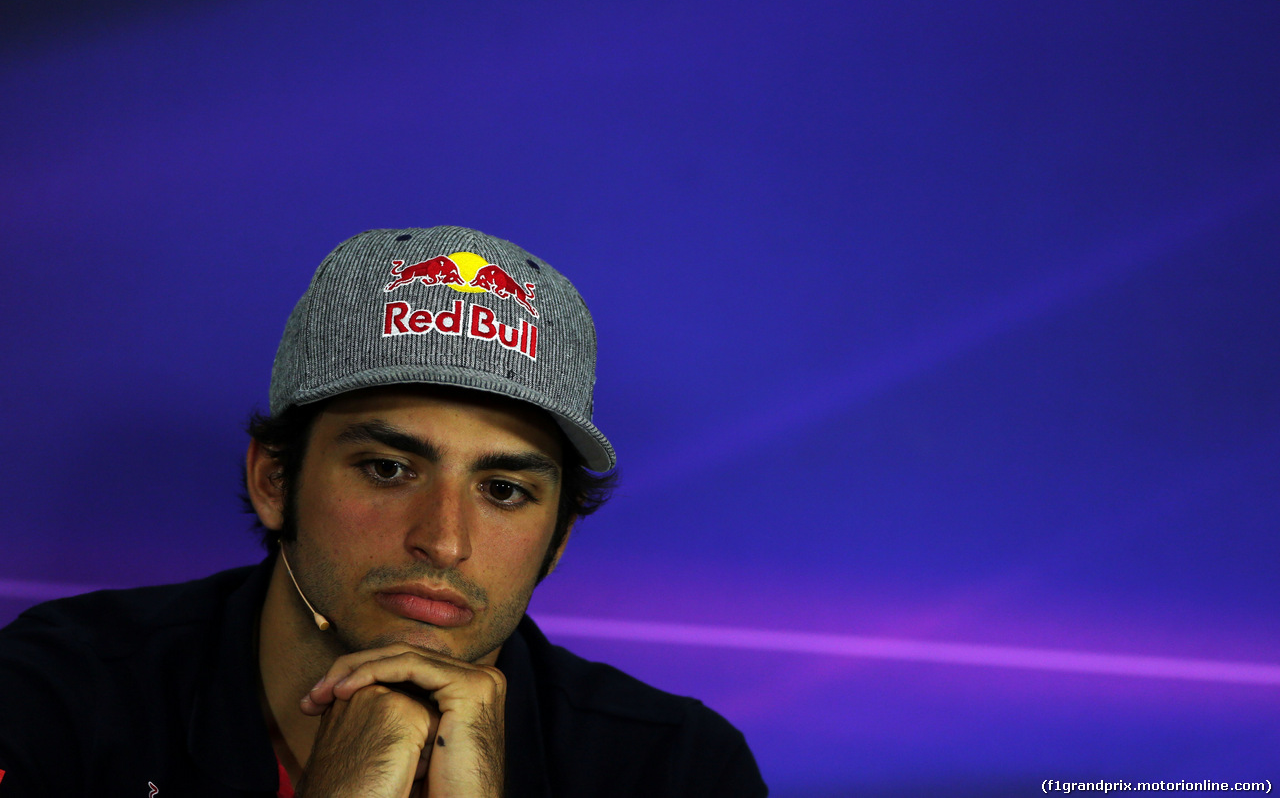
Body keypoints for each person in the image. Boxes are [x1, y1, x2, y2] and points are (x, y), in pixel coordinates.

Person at [0, 227, 767, 797]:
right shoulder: (61, 695)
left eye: (504, 489)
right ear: (274, 481)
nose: (443, 539)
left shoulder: (676, 768)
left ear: (560, 536)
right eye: (389, 468)